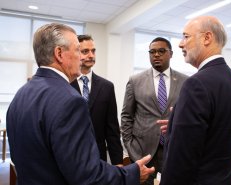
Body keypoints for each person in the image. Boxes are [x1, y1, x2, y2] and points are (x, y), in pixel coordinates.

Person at [6, 23, 154, 185]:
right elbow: (87, 175)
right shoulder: (70, 100)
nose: (82, 57)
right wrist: (130, 173)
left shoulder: (21, 94)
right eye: (78, 50)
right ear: (59, 53)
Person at [160, 16, 231, 185]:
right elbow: (216, 132)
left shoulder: (196, 84)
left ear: (207, 38)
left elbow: (181, 158)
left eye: (186, 36)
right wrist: (176, 126)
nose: (180, 44)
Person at [121, 37, 188, 185]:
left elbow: (187, 115)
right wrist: (131, 148)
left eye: (161, 51)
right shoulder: (135, 80)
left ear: (171, 54)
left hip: (173, 149)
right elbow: (126, 116)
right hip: (143, 152)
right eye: (152, 52)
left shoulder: (185, 81)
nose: (156, 55)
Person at [71, 35, 123, 165]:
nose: (91, 55)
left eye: (93, 51)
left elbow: (112, 130)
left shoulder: (107, 87)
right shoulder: (64, 84)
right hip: (70, 156)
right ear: (75, 53)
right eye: (85, 51)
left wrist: (118, 163)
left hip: (98, 158)